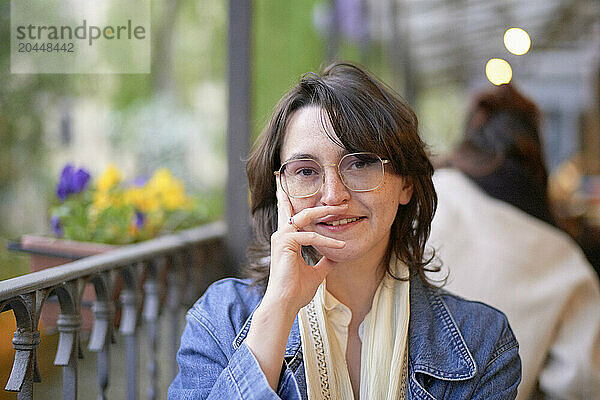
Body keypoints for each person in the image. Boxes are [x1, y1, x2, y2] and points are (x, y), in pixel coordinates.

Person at [168, 63, 521, 399]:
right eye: (305, 171)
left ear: (406, 185)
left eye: (361, 163)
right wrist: (278, 308)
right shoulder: (220, 318)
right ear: (280, 191)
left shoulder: (484, 344)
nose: (334, 194)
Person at [432, 84, 600, 399]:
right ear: (537, 149)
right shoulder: (563, 259)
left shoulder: (422, 200)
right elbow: (581, 384)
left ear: (469, 134)